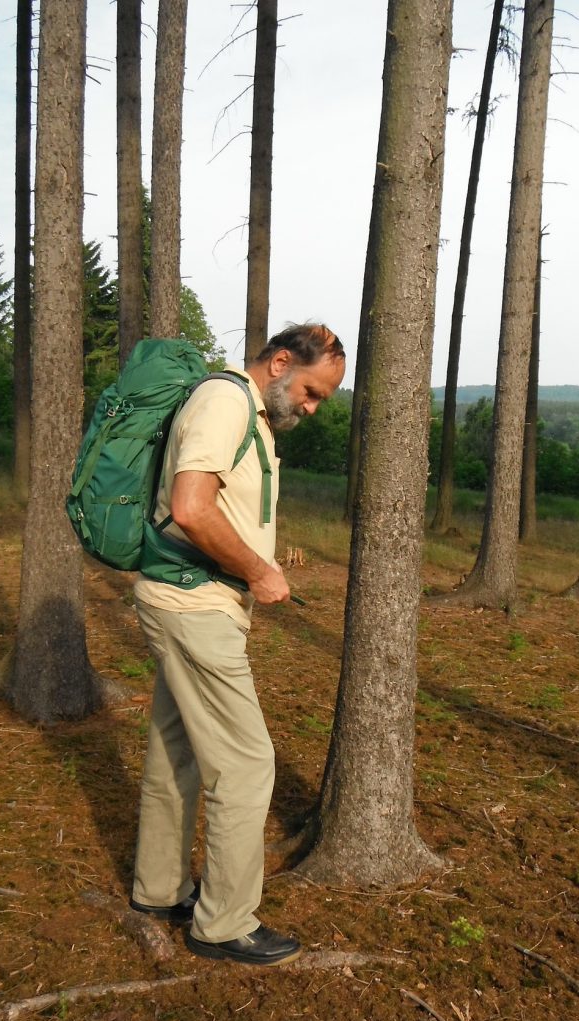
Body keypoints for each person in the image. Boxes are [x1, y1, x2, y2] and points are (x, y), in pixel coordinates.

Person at [129, 323, 346, 966]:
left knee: (177, 752)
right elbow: (191, 508)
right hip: (194, 604)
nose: (309, 408)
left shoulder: (247, 411)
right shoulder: (225, 402)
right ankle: (222, 924)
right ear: (279, 362)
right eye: (310, 391)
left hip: (190, 598)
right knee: (248, 766)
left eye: (320, 401)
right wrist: (259, 570)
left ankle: (160, 887)